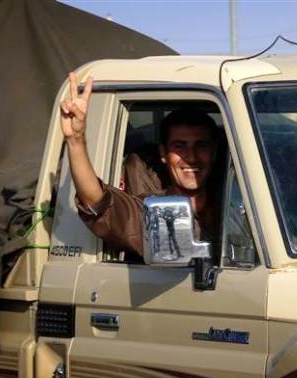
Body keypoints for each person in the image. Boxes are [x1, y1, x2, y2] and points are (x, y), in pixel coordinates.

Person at [60, 72, 219, 257]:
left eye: (201, 146)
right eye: (179, 147)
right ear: (163, 154)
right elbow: (97, 202)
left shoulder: (237, 204)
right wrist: (76, 140)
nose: (191, 157)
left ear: (214, 151)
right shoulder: (156, 213)